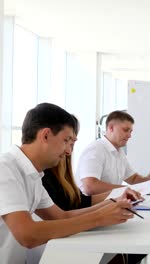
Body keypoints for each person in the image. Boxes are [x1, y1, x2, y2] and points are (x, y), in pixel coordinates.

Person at [0, 103, 136, 264]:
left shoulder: (34, 175)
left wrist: (112, 204)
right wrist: (100, 217)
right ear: (45, 135)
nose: (69, 151)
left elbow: (60, 216)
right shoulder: (5, 168)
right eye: (66, 141)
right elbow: (27, 235)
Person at [41, 114, 146, 264]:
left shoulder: (60, 170)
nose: (69, 151)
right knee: (129, 248)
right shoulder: (41, 175)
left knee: (132, 246)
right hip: (59, 247)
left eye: (72, 143)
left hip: (71, 238)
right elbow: (64, 214)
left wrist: (116, 198)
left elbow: (80, 201)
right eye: (66, 141)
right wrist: (102, 213)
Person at [78, 110, 150, 195]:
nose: (129, 135)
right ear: (111, 128)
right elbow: (90, 187)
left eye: (130, 131)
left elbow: (133, 179)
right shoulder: (96, 149)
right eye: (126, 130)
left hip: (108, 204)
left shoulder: (119, 151)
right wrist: (127, 189)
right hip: (90, 206)